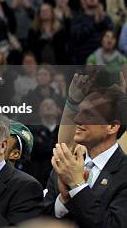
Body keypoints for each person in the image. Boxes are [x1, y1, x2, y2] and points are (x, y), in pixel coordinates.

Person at [44, 83, 127, 228]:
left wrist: (77, 186)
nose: (77, 120)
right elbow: (40, 220)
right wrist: (63, 200)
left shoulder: (124, 172)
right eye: (79, 112)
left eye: (89, 114)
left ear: (112, 127)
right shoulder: (65, 164)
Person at [70, 0, 114, 64]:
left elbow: (111, 36)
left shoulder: (105, 18)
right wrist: (95, 23)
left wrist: (102, 19)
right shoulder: (77, 18)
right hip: (82, 57)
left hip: (102, 57)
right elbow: (77, 36)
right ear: (84, 0)